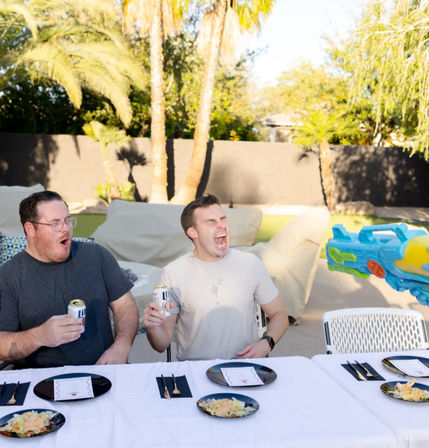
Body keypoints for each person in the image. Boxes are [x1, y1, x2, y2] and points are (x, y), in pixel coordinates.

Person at [0, 191, 139, 368]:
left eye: (67, 220)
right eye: (55, 223)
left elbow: (125, 305)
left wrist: (122, 346)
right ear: (30, 229)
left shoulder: (96, 255)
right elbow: (2, 345)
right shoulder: (8, 276)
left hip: (102, 370)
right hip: (41, 380)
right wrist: (38, 336)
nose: (65, 228)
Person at [143, 194, 288, 360]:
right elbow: (161, 344)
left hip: (244, 366)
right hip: (195, 370)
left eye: (223, 219)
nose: (222, 226)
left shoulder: (250, 264)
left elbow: (279, 313)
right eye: (211, 222)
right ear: (193, 232)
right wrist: (153, 327)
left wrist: (266, 343)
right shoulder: (172, 274)